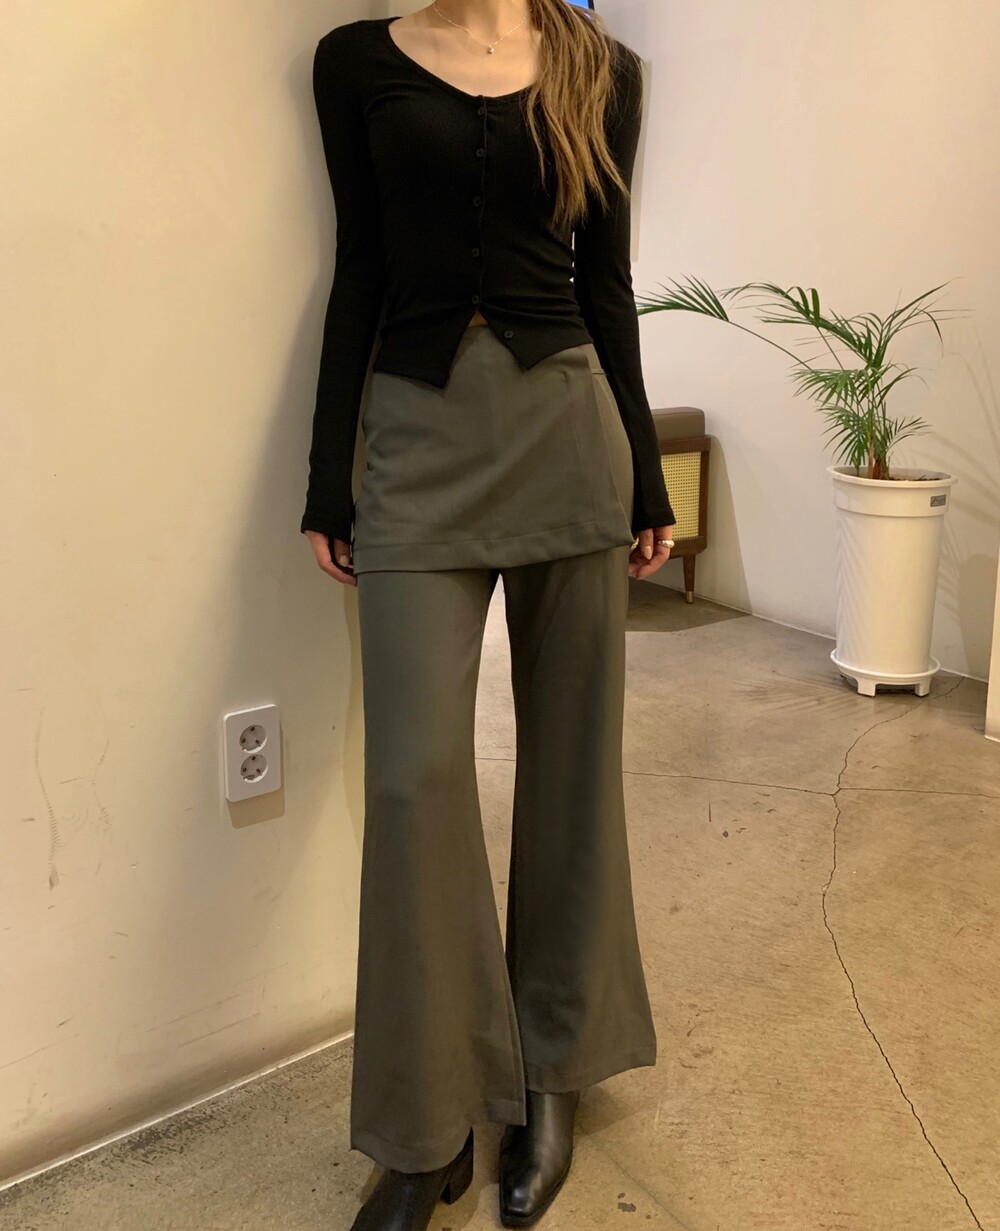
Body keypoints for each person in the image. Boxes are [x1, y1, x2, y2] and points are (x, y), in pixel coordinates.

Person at [299, 3, 676, 1228]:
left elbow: (606, 285)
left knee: (572, 770)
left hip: (569, 435)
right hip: (414, 437)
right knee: (412, 779)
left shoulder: (603, 69)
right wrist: (329, 477)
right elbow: (360, 264)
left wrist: (646, 478)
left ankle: (555, 1071)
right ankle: (427, 1127)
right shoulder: (356, 61)